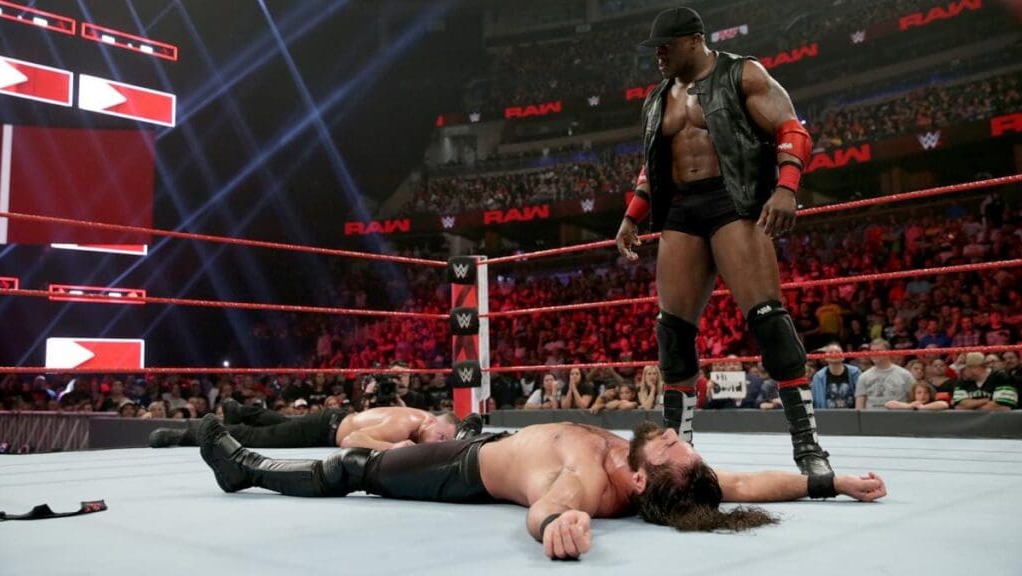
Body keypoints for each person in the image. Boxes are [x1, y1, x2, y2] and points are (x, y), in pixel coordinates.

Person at [614, 7, 829, 475]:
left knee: (768, 321)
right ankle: (677, 457)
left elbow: (790, 128)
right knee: (672, 333)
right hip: (679, 211)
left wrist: (787, 188)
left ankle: (809, 448)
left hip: (733, 200)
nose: (659, 56)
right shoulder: (656, 100)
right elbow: (654, 166)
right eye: (655, 49)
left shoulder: (741, 73)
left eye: (666, 46)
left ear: (694, 40)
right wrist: (632, 216)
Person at [198, 417, 887, 560]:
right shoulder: (643, 464)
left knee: (354, 467)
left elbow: (549, 507)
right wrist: (829, 482)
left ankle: (245, 468)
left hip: (463, 468)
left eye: (674, 447)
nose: (676, 438)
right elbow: (744, 482)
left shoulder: (586, 480)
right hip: (501, 437)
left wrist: (558, 528)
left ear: (639, 479)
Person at [150, 401, 481, 450]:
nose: (438, 443)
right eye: (441, 437)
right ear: (432, 421)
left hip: (331, 420)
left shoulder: (419, 418)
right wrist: (392, 447)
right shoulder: (403, 427)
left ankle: (242, 410)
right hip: (329, 429)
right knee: (260, 439)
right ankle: (183, 435)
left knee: (284, 426)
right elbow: (352, 441)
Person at [854, 340, 915, 409]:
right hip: (872, 415)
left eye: (878, 350)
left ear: (888, 352)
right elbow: (859, 406)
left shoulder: (905, 375)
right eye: (872, 351)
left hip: (897, 415)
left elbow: (913, 400)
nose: (874, 354)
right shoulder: (864, 377)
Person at [952, 352, 1018, 411]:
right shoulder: (963, 380)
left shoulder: (1000, 376)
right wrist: (986, 400)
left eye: (962, 369)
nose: (959, 372)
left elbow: (1003, 405)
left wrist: (971, 407)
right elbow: (960, 405)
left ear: (974, 368)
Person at [810, 343, 861, 409]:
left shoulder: (855, 372)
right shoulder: (818, 377)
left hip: (852, 413)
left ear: (843, 356)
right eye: (831, 352)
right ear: (826, 358)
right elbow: (814, 401)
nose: (834, 354)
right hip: (826, 414)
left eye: (837, 352)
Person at [884, 383, 949, 411]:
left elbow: (944, 404)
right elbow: (888, 404)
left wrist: (923, 407)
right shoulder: (911, 404)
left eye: (926, 392)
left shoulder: (932, 403)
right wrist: (908, 406)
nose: (923, 395)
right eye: (919, 393)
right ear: (914, 394)